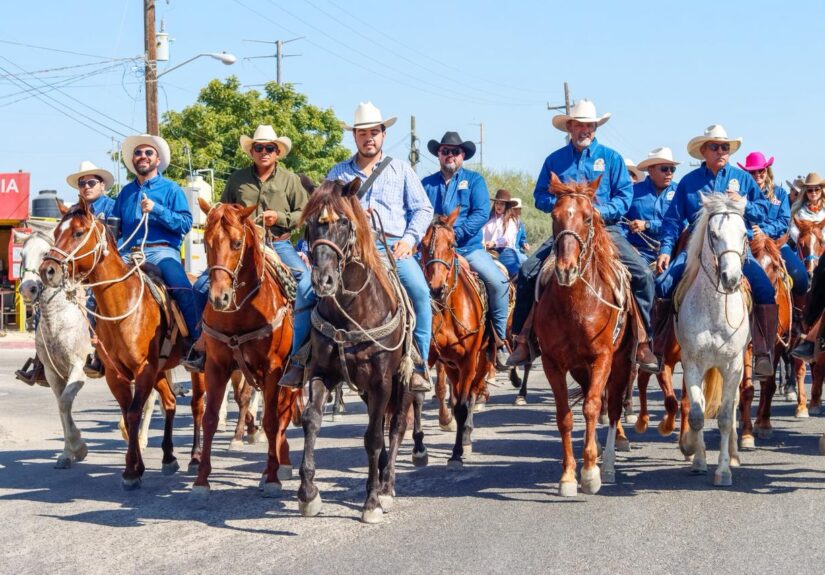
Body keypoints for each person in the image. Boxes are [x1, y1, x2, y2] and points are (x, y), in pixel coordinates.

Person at [278, 102, 435, 391]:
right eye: (362, 133)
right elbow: (320, 213)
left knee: (420, 293)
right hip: (346, 250)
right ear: (354, 137)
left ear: (383, 135)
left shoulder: (401, 170)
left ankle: (419, 364)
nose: (369, 138)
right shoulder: (337, 172)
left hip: (389, 247)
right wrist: (309, 247)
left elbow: (423, 209)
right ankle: (299, 361)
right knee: (303, 291)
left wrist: (409, 240)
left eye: (374, 132)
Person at [507, 99, 658, 372]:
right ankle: (522, 339)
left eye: (589, 125)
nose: (584, 130)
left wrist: (600, 213)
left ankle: (644, 341)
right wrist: (560, 206)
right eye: (579, 125)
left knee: (643, 274)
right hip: (567, 231)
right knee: (528, 271)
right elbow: (540, 194)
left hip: (606, 229)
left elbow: (625, 197)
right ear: (570, 127)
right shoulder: (555, 160)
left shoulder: (611, 159)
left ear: (595, 127)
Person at [653, 125, 776, 377]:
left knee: (765, 288)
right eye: (715, 147)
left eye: (725, 147)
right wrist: (666, 250)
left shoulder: (742, 179)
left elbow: (764, 211)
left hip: (737, 251)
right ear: (703, 151)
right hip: (695, 251)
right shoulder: (689, 183)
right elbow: (672, 221)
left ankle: (763, 352)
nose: (721, 151)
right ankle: (657, 348)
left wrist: (744, 203)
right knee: (663, 284)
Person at [184, 125, 309, 371]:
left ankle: (302, 346)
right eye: (259, 147)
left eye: (269, 148)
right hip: (238, 248)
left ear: (277, 152)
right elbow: (222, 211)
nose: (264, 152)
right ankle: (202, 342)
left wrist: (281, 217)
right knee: (200, 286)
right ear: (251, 151)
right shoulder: (237, 179)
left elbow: (304, 213)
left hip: (277, 243)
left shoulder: (291, 180)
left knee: (305, 282)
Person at [84, 134, 203, 377]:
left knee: (182, 289)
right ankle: (100, 351)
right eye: (138, 153)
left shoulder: (171, 189)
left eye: (148, 153)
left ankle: (196, 347)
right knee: (94, 294)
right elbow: (116, 229)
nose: (143, 157)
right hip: (129, 252)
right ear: (133, 160)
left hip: (162, 251)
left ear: (157, 160)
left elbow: (185, 223)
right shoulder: (125, 193)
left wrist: (156, 209)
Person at [15, 161, 115, 385]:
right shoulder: (71, 212)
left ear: (102, 185)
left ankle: (96, 355)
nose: (87, 186)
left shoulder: (111, 207)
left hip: (103, 267)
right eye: (82, 183)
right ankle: (42, 362)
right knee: (46, 302)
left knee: (94, 303)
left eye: (91, 182)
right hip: (76, 270)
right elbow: (63, 240)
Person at [421, 132, 511, 368]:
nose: (449, 155)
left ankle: (498, 341)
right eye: (444, 151)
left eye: (454, 152)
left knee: (498, 283)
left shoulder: (474, 181)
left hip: (468, 248)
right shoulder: (426, 184)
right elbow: (417, 214)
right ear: (439, 155)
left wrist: (453, 237)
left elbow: (481, 213)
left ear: (463, 155)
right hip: (431, 254)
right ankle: (409, 343)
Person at [738, 151, 807, 295]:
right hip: (749, 244)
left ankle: (800, 315)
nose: (757, 174)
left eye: (761, 170)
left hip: (777, 243)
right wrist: (751, 232)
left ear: (767, 170)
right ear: (747, 173)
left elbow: (784, 221)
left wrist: (764, 231)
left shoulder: (780, 193)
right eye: (752, 172)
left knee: (800, 277)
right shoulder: (741, 195)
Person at [788, 173, 825, 361]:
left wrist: (820, 236)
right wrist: (805, 234)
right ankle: (796, 325)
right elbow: (792, 230)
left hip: (822, 250)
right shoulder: (798, 210)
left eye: (816, 189)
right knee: (791, 276)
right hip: (804, 251)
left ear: (821, 191)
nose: (813, 193)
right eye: (809, 190)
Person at [623, 147, 679, 265]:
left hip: (672, 252)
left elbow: (680, 224)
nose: (669, 172)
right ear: (651, 170)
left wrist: (648, 225)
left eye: (672, 169)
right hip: (639, 253)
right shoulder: (633, 192)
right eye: (664, 168)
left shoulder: (679, 191)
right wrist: (627, 247)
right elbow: (620, 222)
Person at [482, 189, 523, 278]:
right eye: (497, 203)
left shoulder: (511, 220)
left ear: (507, 206)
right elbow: (481, 232)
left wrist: (494, 243)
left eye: (502, 204)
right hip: (486, 250)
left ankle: (520, 290)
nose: (498, 206)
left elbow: (507, 238)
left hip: (504, 251)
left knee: (518, 276)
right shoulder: (488, 219)